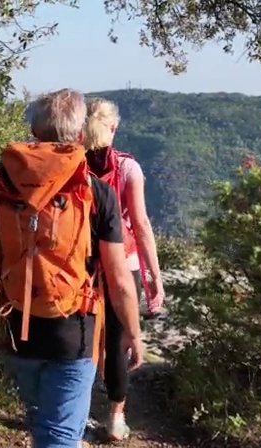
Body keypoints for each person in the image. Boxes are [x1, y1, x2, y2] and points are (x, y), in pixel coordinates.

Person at [0, 88, 145, 448]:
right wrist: (132, 334)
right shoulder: (95, 191)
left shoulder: (7, 187)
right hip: (74, 335)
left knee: (44, 426)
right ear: (78, 136)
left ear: (35, 134)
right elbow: (120, 280)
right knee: (58, 436)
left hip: (18, 331)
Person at [83, 97, 166, 443]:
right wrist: (154, 279)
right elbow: (142, 224)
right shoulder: (128, 168)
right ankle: (116, 417)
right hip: (123, 263)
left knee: (84, 339)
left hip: (81, 264)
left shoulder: (71, 165)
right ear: (114, 127)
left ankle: (75, 407)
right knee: (118, 341)